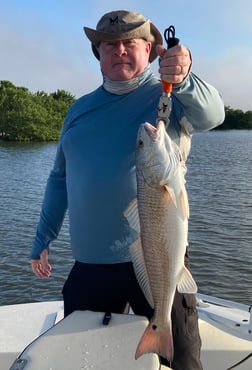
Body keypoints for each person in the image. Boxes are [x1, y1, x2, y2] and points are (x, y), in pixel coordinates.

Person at [30, 10, 225, 369]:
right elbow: (59, 179)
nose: (119, 50)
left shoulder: (171, 97)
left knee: (181, 357)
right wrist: (42, 238)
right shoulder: (78, 111)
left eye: (129, 43)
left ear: (150, 50)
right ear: (98, 54)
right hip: (91, 265)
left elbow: (213, 114)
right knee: (89, 361)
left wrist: (183, 78)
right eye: (109, 45)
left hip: (160, 259)